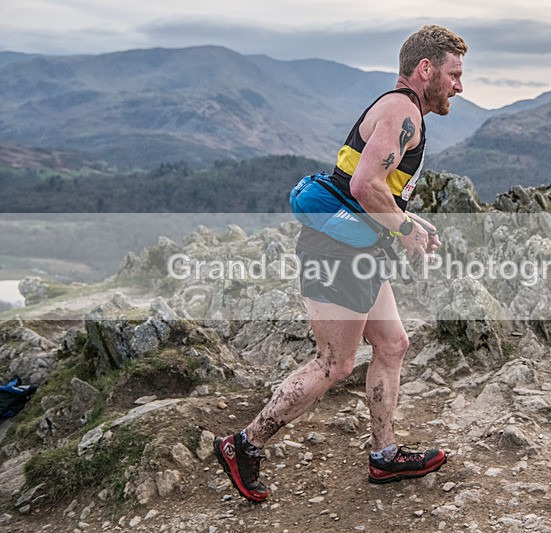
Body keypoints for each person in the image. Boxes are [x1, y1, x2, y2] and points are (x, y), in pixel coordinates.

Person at [215, 24, 467, 502]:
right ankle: (243, 445)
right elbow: (363, 185)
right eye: (454, 74)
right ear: (426, 68)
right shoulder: (399, 110)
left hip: (361, 250)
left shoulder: (406, 111)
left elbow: (375, 186)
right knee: (335, 364)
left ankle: (384, 455)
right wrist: (407, 229)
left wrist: (407, 221)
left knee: (393, 344)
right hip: (339, 254)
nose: (459, 85)